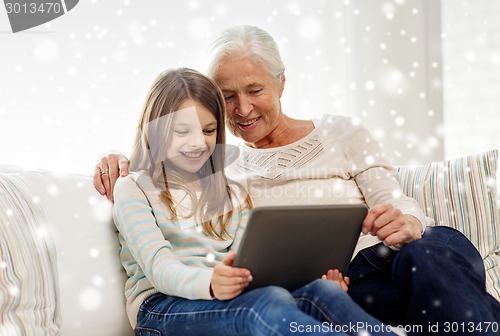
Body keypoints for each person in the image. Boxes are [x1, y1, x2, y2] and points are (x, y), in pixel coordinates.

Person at [97, 26, 500, 335]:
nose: (243, 108)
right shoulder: (223, 167)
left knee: (424, 252)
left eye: (255, 89)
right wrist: (121, 159)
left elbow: (395, 199)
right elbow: (166, 153)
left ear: (281, 83)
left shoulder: (341, 133)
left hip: (401, 256)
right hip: (345, 285)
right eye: (228, 97)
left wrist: (407, 222)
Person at [113, 67, 399, 335]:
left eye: (209, 131)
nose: (198, 142)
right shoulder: (134, 187)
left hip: (224, 299)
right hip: (161, 308)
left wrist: (305, 282)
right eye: (182, 131)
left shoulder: (231, 190)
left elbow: (249, 266)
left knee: (322, 293)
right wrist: (211, 284)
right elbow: (160, 268)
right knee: (264, 304)